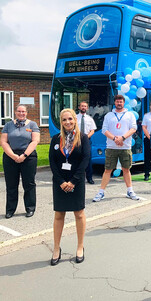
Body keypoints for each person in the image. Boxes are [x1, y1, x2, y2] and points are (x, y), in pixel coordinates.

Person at [49, 109, 90, 265]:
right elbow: (52, 162)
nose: (67, 122)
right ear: (61, 121)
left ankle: (80, 247)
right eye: (64, 120)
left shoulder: (83, 138)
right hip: (59, 182)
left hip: (76, 181)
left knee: (79, 214)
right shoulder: (55, 139)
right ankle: (56, 248)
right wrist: (60, 181)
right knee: (59, 215)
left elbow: (85, 160)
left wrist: (73, 181)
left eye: (70, 119)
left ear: (75, 120)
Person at [92, 95, 139, 202]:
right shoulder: (109, 115)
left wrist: (122, 138)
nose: (119, 103)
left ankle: (130, 190)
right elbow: (104, 130)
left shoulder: (129, 115)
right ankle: (101, 192)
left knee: (126, 169)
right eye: (117, 102)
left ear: (124, 103)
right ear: (115, 103)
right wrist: (115, 139)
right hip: (111, 146)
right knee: (107, 170)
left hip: (125, 147)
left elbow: (133, 128)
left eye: (121, 102)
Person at [1, 105, 40, 219]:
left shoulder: (32, 124)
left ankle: (30, 208)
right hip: (10, 156)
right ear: (15, 112)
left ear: (27, 113)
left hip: (28, 157)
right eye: (19, 111)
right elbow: (4, 142)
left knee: (29, 184)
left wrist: (24, 155)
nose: (21, 113)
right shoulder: (8, 125)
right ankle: (10, 210)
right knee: (11, 185)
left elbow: (35, 141)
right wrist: (13, 156)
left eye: (23, 111)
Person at [77, 101, 97, 184]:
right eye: (82, 106)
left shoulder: (90, 119)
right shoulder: (74, 118)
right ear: (79, 107)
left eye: (85, 106)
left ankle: (89, 178)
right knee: (76, 159)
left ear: (87, 108)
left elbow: (92, 130)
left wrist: (85, 137)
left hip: (87, 140)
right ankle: (77, 178)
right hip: (76, 140)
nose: (83, 108)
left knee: (88, 159)